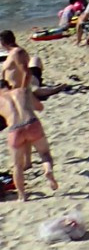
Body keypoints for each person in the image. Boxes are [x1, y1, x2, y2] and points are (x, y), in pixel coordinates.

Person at [1, 68, 56, 200]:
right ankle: (48, 170)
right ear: (9, 85)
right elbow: (40, 107)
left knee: (17, 166)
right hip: (32, 123)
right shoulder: (22, 91)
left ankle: (22, 195)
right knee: (45, 154)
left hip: (15, 129)